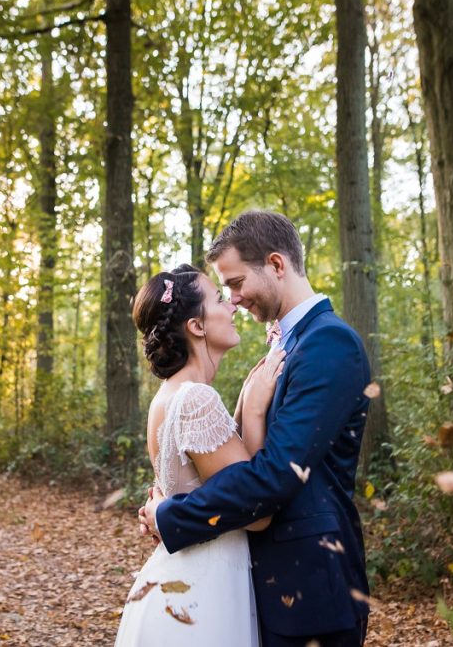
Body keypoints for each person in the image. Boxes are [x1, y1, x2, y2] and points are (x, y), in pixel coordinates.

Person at [141, 210, 372, 647]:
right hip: (259, 588)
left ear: (277, 265)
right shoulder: (286, 345)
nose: (234, 298)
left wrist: (171, 514)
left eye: (236, 283)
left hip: (310, 593)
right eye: (225, 289)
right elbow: (236, 461)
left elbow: (275, 475)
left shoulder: (328, 343)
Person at [114, 263, 286, 646]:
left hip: (177, 580)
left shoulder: (168, 397)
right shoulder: (196, 399)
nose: (233, 306)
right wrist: (256, 411)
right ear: (197, 326)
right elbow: (257, 512)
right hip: (203, 594)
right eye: (220, 299)